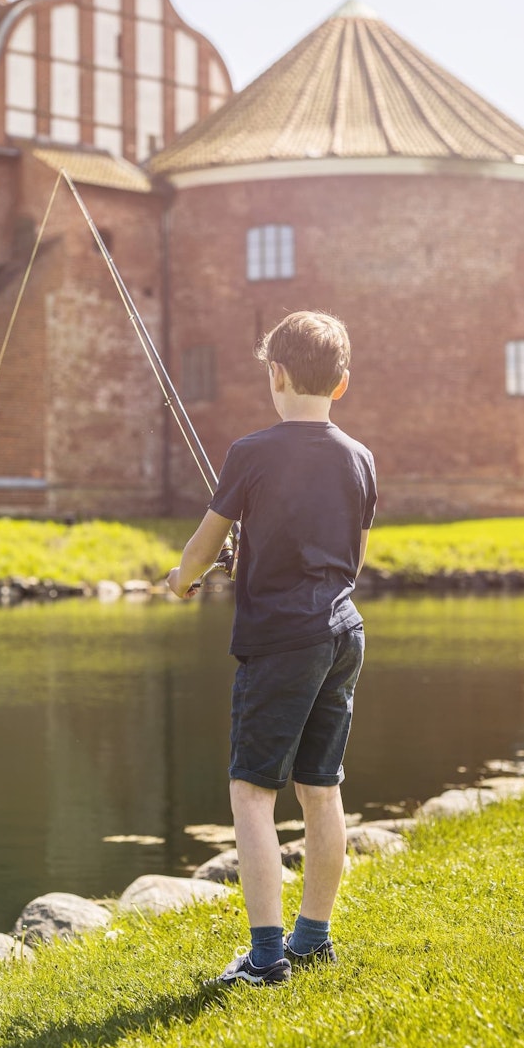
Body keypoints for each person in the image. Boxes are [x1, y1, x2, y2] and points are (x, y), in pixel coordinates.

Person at [168, 310, 377, 987]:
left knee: (252, 791)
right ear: (339, 384)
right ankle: (312, 937)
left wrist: (181, 579)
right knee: (321, 787)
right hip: (342, 630)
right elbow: (349, 556)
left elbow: (202, 546)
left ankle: (264, 958)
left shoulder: (249, 452)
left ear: (275, 374)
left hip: (282, 640)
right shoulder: (360, 457)